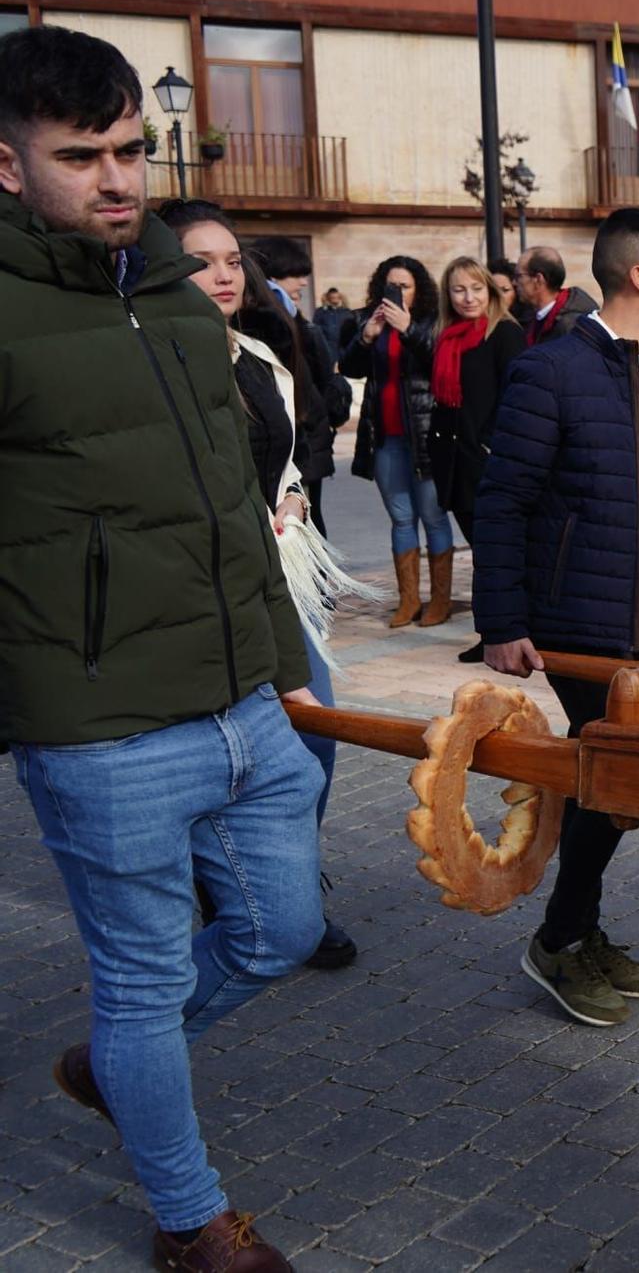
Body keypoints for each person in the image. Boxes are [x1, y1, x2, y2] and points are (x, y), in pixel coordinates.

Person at [0, 24, 320, 1271]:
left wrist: (284, 656)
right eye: (83, 155)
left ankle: (117, 1066)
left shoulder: (178, 293)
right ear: (10, 165)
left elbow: (236, 503)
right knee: (140, 984)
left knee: (280, 933)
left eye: (133, 148)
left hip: (244, 698)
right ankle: (194, 1222)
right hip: (101, 726)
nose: (121, 178)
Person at [475, 207, 639, 1028]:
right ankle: (557, 940)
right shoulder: (552, 371)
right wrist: (504, 620)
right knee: (616, 775)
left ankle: (575, 930)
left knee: (610, 781)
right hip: (574, 617)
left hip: (638, 615)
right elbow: (503, 500)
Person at [163, 200, 362, 972]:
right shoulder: (152, 357)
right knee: (205, 749)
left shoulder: (258, 356)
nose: (221, 272)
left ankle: (289, 883)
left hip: (278, 574)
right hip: (190, 588)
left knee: (316, 731)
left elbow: (289, 457)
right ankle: (228, 888)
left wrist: (293, 497)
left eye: (229, 259)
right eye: (199, 259)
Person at [343, 255, 457, 628]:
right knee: (401, 519)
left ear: (418, 289)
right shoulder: (368, 321)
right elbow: (348, 367)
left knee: (434, 518)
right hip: (385, 438)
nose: (397, 292)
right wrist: (366, 337)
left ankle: (439, 601)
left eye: (404, 285)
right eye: (390, 285)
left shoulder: (430, 322)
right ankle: (408, 600)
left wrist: (408, 329)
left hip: (424, 437)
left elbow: (439, 362)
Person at [431, 257, 527, 651]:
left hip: (487, 460)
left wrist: (491, 443)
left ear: (490, 290)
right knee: (481, 550)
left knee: (494, 551)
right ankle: (494, 632)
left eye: (476, 288)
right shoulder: (449, 335)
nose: (468, 297)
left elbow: (517, 394)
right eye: (458, 289)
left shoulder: (504, 333)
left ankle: (500, 632)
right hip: (455, 460)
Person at [250, 235, 350, 537]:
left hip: (309, 440)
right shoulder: (268, 322)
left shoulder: (297, 320)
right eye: (294, 275)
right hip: (291, 440)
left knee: (309, 521)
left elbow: (321, 376)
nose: (303, 283)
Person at [517, 244, 598, 347]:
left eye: (519, 276)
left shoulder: (571, 326)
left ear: (538, 279)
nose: (515, 282)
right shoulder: (532, 317)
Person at [316, 285, 357, 362]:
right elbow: (317, 329)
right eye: (332, 298)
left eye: (336, 297)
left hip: (343, 349)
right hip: (328, 348)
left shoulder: (347, 312)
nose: (335, 300)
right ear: (328, 298)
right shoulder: (321, 312)